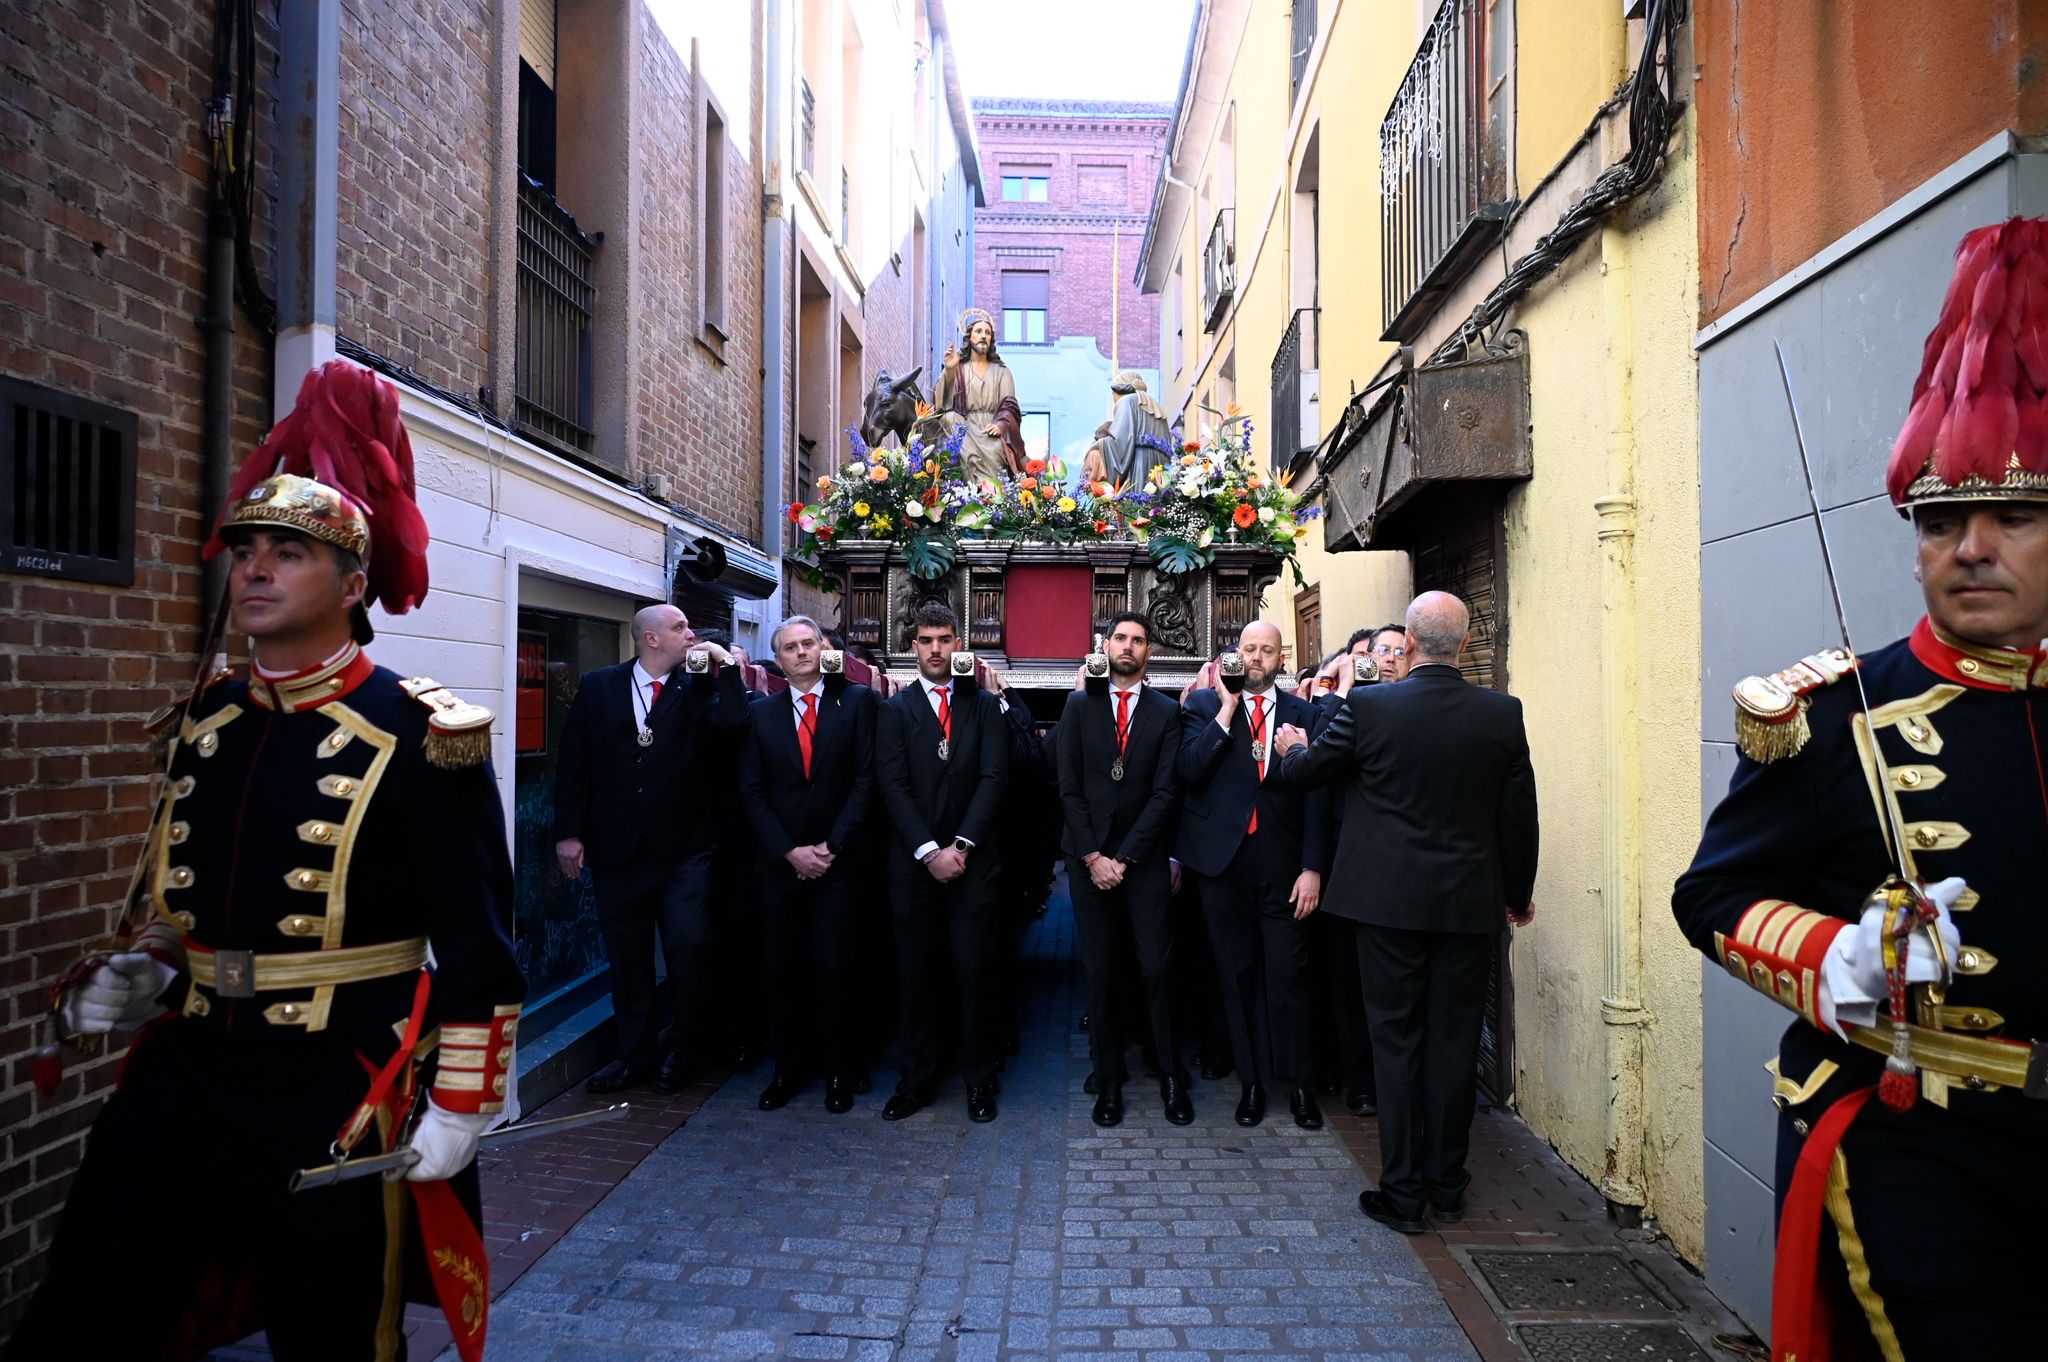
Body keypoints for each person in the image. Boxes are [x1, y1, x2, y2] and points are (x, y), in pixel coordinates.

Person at [7, 362, 524, 1362]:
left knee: (334, 1339)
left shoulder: (417, 734)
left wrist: (462, 1103)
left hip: (335, 1084)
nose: (253, 571)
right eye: (244, 552)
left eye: (288, 553)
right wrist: (148, 967)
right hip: (190, 1066)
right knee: (80, 1313)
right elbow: (180, 899)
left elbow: (478, 944)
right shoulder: (208, 718)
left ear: (353, 583)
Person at [1671, 216, 2048, 1362]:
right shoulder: (1832, 713)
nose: (1968, 548)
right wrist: (1836, 955)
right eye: (1939, 523)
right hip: (1916, 1150)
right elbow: (1715, 897)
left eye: (2012, 519)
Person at [1273, 592, 1537, 1235]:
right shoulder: (1501, 713)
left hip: (1385, 906)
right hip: (1468, 906)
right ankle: (1449, 1185)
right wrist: (1516, 892)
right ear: (1467, 644)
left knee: (1396, 1044)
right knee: (1452, 1045)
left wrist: (1290, 746)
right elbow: (1520, 813)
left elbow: (1309, 773)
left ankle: (1403, 1193)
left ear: (1409, 646)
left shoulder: (1368, 706)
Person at [553, 603, 745, 1094]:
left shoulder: (699, 683)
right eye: (680, 627)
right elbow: (574, 761)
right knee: (628, 958)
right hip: (619, 850)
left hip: (685, 851)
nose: (691, 632)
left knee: (688, 950)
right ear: (651, 639)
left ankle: (683, 1050)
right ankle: (633, 1056)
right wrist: (569, 832)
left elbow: (733, 728)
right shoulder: (600, 686)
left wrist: (725, 669)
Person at [1175, 620, 1333, 1130]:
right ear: (1234, 655)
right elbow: (1190, 772)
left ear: (1282, 659)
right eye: (1249, 649)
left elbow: (1318, 797)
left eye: (1268, 650)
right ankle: (1252, 1084)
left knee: (1290, 976)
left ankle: (1302, 1085)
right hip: (1223, 866)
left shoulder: (1304, 714)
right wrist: (1226, 706)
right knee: (1236, 976)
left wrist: (1313, 867)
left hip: (1285, 867)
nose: (1258, 657)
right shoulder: (1202, 708)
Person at [873, 603, 1010, 1121]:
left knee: (975, 974)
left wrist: (963, 845)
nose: (936, 648)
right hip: (915, 868)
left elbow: (995, 778)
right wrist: (930, 851)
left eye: (945, 639)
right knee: (916, 975)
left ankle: (979, 1079)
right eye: (926, 640)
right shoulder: (895, 710)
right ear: (914, 648)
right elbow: (893, 784)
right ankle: (917, 1080)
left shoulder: (982, 704)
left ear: (959, 644)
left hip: (974, 866)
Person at [1056, 612, 1191, 1128]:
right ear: (1106, 646)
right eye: (1120, 638)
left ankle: (1171, 1076)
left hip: (1143, 861)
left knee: (1156, 968)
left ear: (1148, 652)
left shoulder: (1164, 711)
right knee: (1101, 971)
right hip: (1088, 860)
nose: (1128, 647)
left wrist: (1125, 857)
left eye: (1138, 640)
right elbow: (1067, 787)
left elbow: (1166, 792)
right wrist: (1093, 857)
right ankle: (1108, 1080)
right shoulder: (1078, 705)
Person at [739, 615, 878, 1114]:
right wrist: (790, 850)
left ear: (823, 648)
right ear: (777, 660)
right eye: (789, 648)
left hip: (839, 863)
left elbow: (866, 781)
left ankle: (841, 1069)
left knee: (837, 966)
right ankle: (787, 1069)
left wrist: (831, 847)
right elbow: (751, 791)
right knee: (782, 968)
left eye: (808, 643)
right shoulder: (760, 714)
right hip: (781, 866)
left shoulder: (858, 703)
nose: (800, 653)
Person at [936, 307, 1026, 484]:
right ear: (969, 338)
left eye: (987, 332)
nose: (983, 335)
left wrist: (1001, 425)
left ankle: (991, 495)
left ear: (991, 339)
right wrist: (950, 370)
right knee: (949, 418)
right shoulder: (959, 368)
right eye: (978, 332)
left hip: (991, 428)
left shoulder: (1002, 371)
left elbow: (1010, 405)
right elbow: (942, 405)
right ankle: (972, 488)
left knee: (994, 451)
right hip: (965, 426)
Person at [1083, 370, 1173, 488]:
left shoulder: (1127, 401)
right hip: (1159, 467)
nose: (1113, 399)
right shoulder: (1157, 407)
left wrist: (1098, 444)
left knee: (1138, 502)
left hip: (1139, 464)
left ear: (1119, 391)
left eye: (1113, 394)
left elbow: (1120, 443)